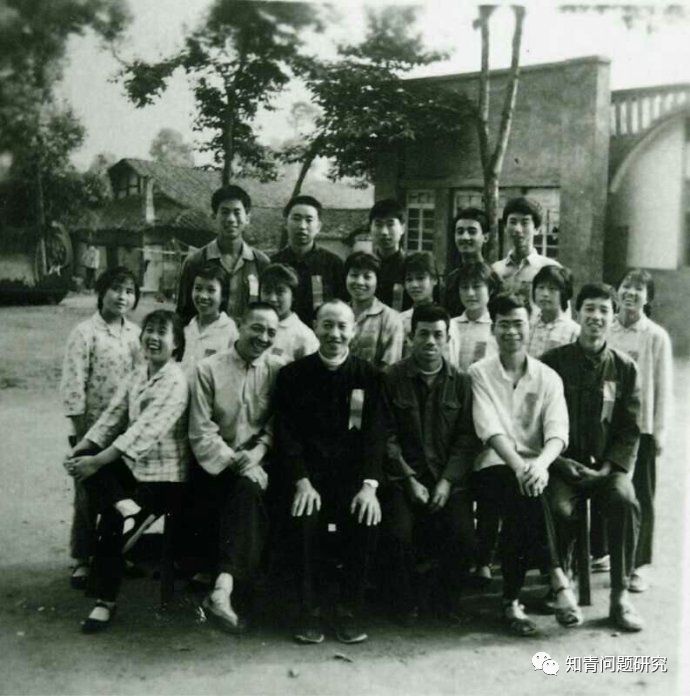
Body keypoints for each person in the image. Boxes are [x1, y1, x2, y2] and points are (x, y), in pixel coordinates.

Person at [64, 310, 190, 633]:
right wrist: (82, 449)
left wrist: (96, 462)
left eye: (162, 332)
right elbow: (111, 417)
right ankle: (122, 504)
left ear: (176, 344)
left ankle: (104, 602)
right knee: (86, 460)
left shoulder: (176, 381)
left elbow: (142, 433)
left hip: (164, 478)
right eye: (149, 330)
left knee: (110, 514)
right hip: (133, 471)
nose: (153, 338)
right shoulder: (137, 374)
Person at [273, 300, 385, 644]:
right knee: (304, 519)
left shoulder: (369, 376)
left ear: (353, 330)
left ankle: (349, 611)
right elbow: (287, 436)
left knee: (367, 517)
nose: (334, 333)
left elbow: (375, 435)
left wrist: (369, 487)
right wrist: (302, 482)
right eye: (327, 325)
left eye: (342, 326)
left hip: (353, 481)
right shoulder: (293, 376)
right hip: (308, 479)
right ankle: (309, 612)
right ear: (315, 327)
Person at [469, 293, 580, 636]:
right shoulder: (478, 374)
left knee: (525, 496)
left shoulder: (548, 377)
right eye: (503, 325)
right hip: (493, 465)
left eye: (518, 324)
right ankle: (556, 577)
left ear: (529, 326)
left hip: (537, 468)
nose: (511, 332)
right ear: (493, 329)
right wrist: (521, 467)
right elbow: (489, 429)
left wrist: (541, 465)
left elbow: (558, 432)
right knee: (523, 490)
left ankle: (512, 602)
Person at [542, 283, 644, 632]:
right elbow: (537, 421)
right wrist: (558, 462)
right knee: (556, 508)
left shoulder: (625, 368)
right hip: (563, 465)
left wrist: (607, 469)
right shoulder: (553, 363)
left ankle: (620, 595)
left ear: (613, 316)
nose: (596, 317)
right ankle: (561, 581)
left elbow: (629, 430)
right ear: (577, 312)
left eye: (604, 310)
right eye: (589, 309)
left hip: (606, 468)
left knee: (625, 500)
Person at [188, 302, 283, 633]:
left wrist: (260, 450)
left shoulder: (278, 370)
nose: (263, 337)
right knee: (247, 489)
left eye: (271, 332)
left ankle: (224, 587)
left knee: (254, 491)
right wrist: (236, 461)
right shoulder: (208, 369)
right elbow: (201, 431)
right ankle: (227, 591)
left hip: (260, 461)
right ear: (240, 325)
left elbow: (278, 422)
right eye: (256, 328)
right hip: (215, 465)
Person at [381, 304, 478, 623]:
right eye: (423, 334)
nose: (431, 342)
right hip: (402, 479)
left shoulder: (462, 382)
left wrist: (447, 482)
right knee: (397, 534)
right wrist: (409, 479)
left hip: (447, 481)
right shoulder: (391, 378)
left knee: (464, 538)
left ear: (448, 339)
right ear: (411, 338)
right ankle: (404, 601)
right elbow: (386, 436)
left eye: (438, 335)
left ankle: (444, 600)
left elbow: (467, 438)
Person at [59, 266, 142, 590]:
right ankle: (82, 557)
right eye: (116, 289)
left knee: (120, 491)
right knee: (87, 493)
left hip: (124, 430)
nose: (122, 297)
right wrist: (81, 432)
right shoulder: (85, 333)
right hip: (91, 428)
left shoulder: (135, 334)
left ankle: (115, 552)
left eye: (130, 291)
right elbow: (73, 383)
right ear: (102, 291)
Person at [607, 269, 672, 593]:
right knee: (606, 489)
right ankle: (603, 552)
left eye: (638, 289)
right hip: (608, 426)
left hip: (641, 428)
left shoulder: (655, 336)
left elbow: (663, 387)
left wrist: (659, 432)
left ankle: (637, 565)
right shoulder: (607, 328)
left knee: (641, 496)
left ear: (648, 298)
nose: (630, 293)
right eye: (626, 286)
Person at [176, 185, 270, 323]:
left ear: (247, 218)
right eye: (225, 212)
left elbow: (268, 312)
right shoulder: (195, 262)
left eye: (237, 212)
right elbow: (183, 314)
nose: (231, 219)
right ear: (214, 216)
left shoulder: (261, 263)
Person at [271, 195, 346, 326]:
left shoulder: (334, 264)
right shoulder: (273, 264)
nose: (302, 226)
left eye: (309, 220)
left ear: (318, 226)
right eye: (296, 218)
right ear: (285, 223)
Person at [491, 197, 560, 301]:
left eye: (525, 223)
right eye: (513, 222)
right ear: (505, 227)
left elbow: (562, 309)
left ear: (537, 229)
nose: (518, 229)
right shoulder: (496, 270)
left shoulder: (551, 269)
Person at [346, 251, 404, 369]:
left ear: (377, 281)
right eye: (354, 275)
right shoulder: (337, 313)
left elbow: (390, 368)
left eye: (367, 277)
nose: (359, 282)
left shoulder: (391, 319)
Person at [180, 263, 238, 379]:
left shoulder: (230, 331)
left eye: (211, 290)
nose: (203, 296)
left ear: (223, 296)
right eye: (198, 288)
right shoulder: (186, 327)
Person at [260, 263, 319, 362]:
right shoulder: (253, 326)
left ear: (293, 296)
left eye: (280, 292)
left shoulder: (303, 336)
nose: (272, 298)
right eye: (267, 291)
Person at [447, 262, 500, 372]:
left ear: (490, 289)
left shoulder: (496, 326)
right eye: (464, 287)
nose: (470, 293)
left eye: (476, 286)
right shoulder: (449, 325)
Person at [442, 208, 489, 317]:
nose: (465, 237)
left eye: (472, 232)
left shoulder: (493, 278)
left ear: (486, 237)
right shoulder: (451, 280)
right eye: (460, 232)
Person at [527, 265, 579, 358]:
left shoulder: (574, 331)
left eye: (552, 289)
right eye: (541, 287)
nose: (545, 294)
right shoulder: (528, 326)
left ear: (563, 294)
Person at [370, 198, 410, 312]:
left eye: (390, 224)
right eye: (378, 225)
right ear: (370, 228)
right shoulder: (364, 266)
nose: (384, 232)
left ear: (402, 228)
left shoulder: (410, 267)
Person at [398, 252, 438, 357]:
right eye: (409, 279)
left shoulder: (444, 320)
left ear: (434, 280)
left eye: (420, 278)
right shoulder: (399, 321)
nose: (414, 285)